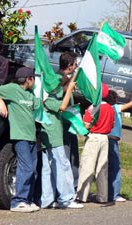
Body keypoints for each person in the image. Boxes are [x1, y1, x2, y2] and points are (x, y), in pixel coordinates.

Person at [0, 67, 40, 213]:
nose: (35, 81)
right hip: (20, 136)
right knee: (26, 167)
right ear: (28, 79)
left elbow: (38, 106)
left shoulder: (30, 94)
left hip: (31, 136)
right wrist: (1, 102)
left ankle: (28, 200)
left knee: (33, 170)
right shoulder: (12, 88)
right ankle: (18, 201)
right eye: (33, 78)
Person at [39, 72, 83, 209]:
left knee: (47, 169)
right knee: (62, 166)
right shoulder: (48, 99)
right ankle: (66, 198)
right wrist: (69, 90)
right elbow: (62, 106)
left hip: (48, 137)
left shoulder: (47, 96)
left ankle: (47, 199)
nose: (59, 86)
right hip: (54, 137)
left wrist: (72, 79)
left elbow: (62, 89)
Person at [76, 83, 115, 203]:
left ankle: (82, 196)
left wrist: (81, 121)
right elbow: (112, 124)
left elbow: (87, 125)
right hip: (105, 138)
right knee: (102, 168)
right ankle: (103, 196)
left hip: (93, 138)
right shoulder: (110, 108)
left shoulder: (93, 108)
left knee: (87, 167)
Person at [58, 52, 80, 189]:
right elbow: (60, 91)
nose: (76, 66)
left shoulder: (68, 77)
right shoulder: (57, 77)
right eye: (75, 64)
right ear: (69, 66)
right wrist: (73, 80)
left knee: (73, 155)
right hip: (61, 123)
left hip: (71, 122)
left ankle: (75, 185)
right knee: (65, 156)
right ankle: (65, 187)